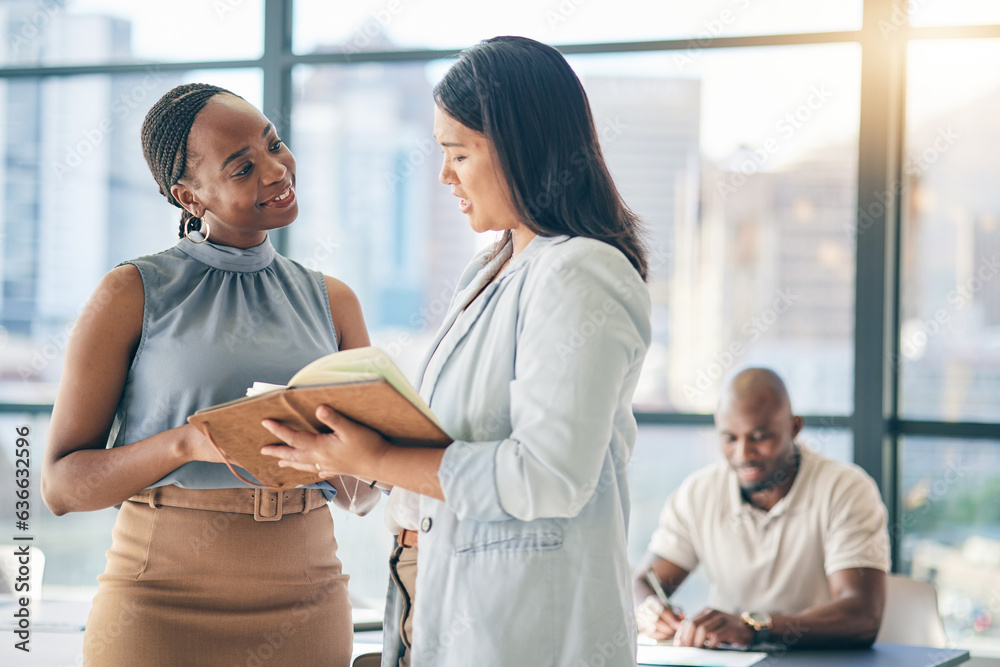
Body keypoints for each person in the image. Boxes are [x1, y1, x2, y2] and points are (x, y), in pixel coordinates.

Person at [260, 36, 652, 667]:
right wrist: (346, 451)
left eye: (459, 153)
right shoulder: (492, 268)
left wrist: (381, 456)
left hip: (524, 629)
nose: (444, 174)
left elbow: (547, 476)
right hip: (433, 599)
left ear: (523, 148)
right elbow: (458, 440)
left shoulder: (581, 272)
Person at [41, 83, 381, 666]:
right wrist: (187, 441)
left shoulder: (334, 301)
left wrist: (351, 455)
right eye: (243, 167)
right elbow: (61, 487)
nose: (276, 170)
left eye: (274, 145)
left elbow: (362, 495)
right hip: (158, 600)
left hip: (306, 597)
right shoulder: (130, 292)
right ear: (189, 196)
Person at [633, 368, 890, 650]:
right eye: (730, 438)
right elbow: (645, 582)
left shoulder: (846, 489)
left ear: (794, 427)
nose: (743, 454)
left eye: (759, 437)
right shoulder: (698, 492)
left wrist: (755, 628)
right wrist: (651, 610)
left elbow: (862, 616)